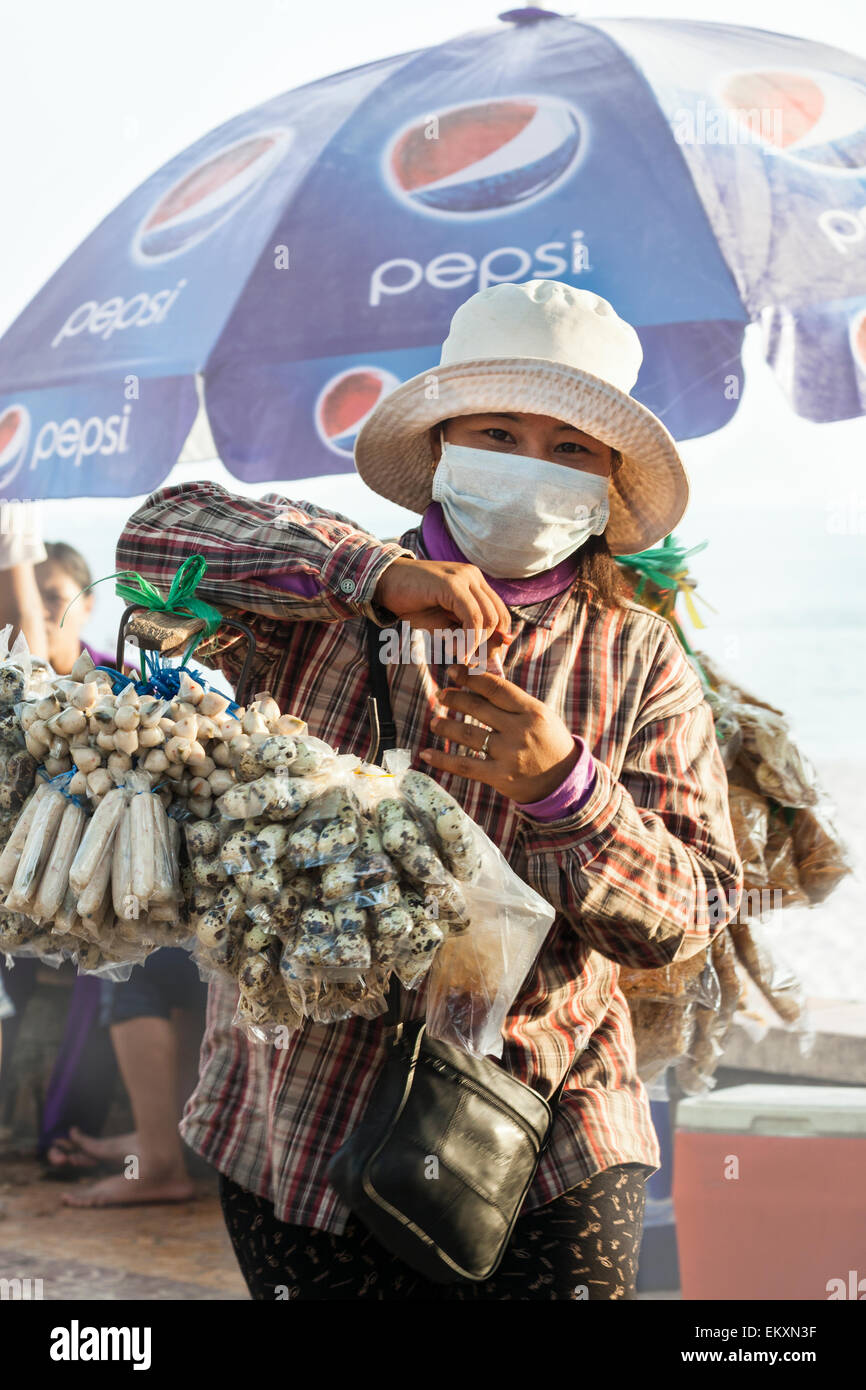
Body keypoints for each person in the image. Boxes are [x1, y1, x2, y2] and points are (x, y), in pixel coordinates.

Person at [116, 280, 743, 1300]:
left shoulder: (638, 656)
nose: (530, 466)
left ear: (605, 484)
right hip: (293, 1115)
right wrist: (365, 577)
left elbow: (690, 915)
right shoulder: (320, 600)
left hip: (541, 1130)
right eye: (498, 430)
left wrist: (565, 789)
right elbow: (154, 541)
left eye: (570, 447)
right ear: (444, 445)